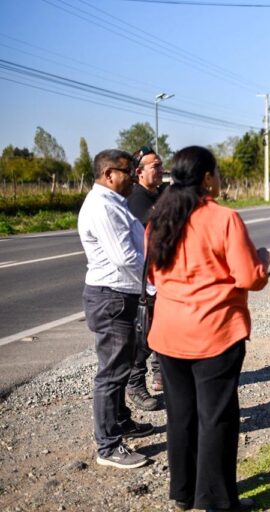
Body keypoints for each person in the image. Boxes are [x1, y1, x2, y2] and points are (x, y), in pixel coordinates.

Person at [146, 146, 270, 511]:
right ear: (206, 178)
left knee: (180, 416)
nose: (218, 179)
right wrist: (263, 260)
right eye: (215, 173)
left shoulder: (159, 218)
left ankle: (183, 494)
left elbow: (152, 275)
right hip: (215, 333)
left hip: (168, 334)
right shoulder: (224, 218)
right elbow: (249, 277)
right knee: (216, 418)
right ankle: (216, 501)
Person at [78, 149, 154, 469]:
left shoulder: (114, 203)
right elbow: (126, 257)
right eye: (128, 171)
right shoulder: (102, 207)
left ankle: (121, 421)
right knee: (111, 373)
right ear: (109, 174)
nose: (134, 177)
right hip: (112, 296)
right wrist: (153, 285)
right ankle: (108, 446)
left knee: (121, 365)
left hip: (120, 295)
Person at [125, 145, 165, 411]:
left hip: (165, 274)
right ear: (139, 172)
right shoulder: (135, 198)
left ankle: (161, 373)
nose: (161, 170)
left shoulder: (162, 192)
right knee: (146, 332)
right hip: (144, 277)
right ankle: (135, 383)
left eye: (161, 165)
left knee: (165, 326)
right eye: (155, 166)